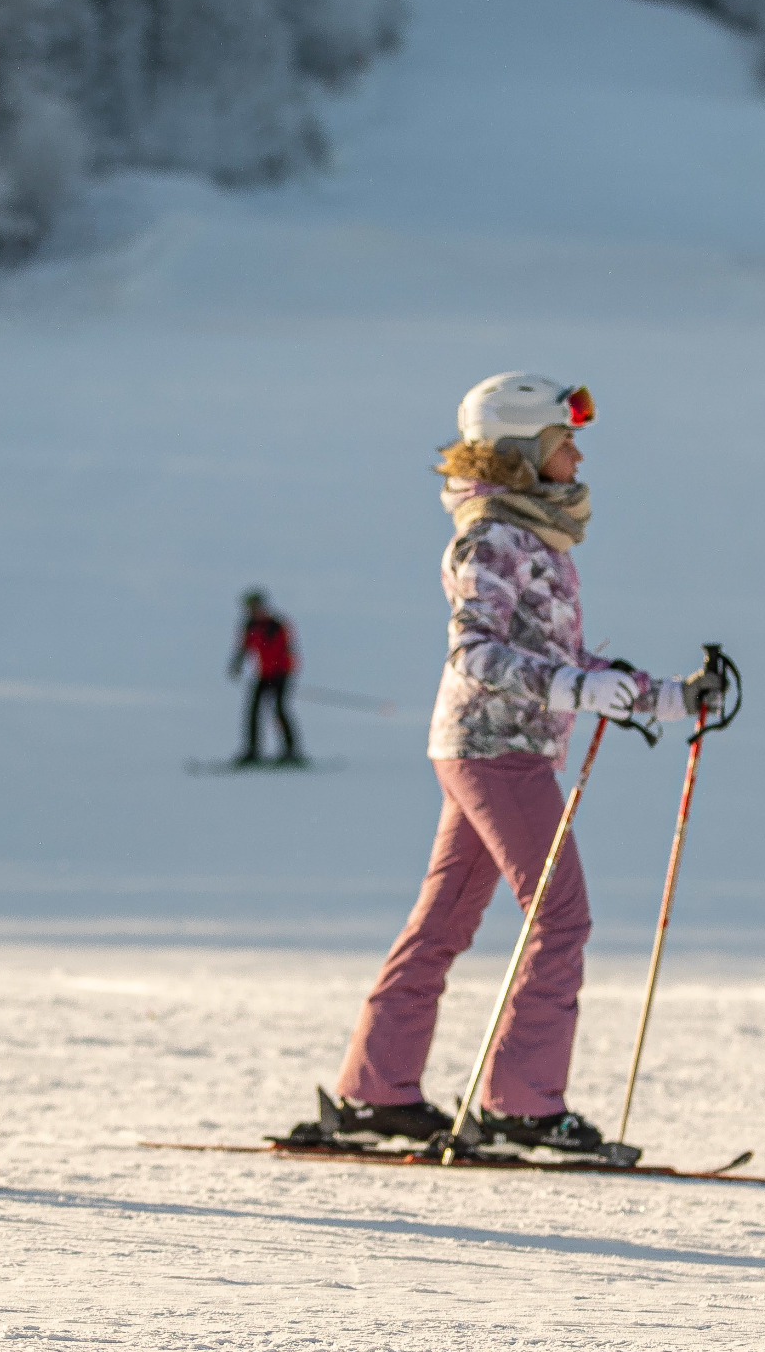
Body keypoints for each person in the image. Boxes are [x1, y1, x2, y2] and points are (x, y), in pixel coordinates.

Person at [305, 373, 725, 1159]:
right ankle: (519, 1105)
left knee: (444, 923)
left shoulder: (531, 537)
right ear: (524, 453)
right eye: (563, 441)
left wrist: (671, 698)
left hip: (499, 746)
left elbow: (562, 659)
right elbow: (476, 652)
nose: (576, 453)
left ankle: (375, 1092)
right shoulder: (490, 537)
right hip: (495, 748)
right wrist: (577, 686)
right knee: (561, 915)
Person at [229, 590, 303, 767]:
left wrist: (281, 672)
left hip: (281, 673)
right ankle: (252, 751)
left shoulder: (276, 625)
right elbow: (244, 647)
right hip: (264, 674)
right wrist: (236, 664)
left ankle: (291, 752)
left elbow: (287, 649)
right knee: (253, 711)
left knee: (279, 709)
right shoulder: (250, 626)